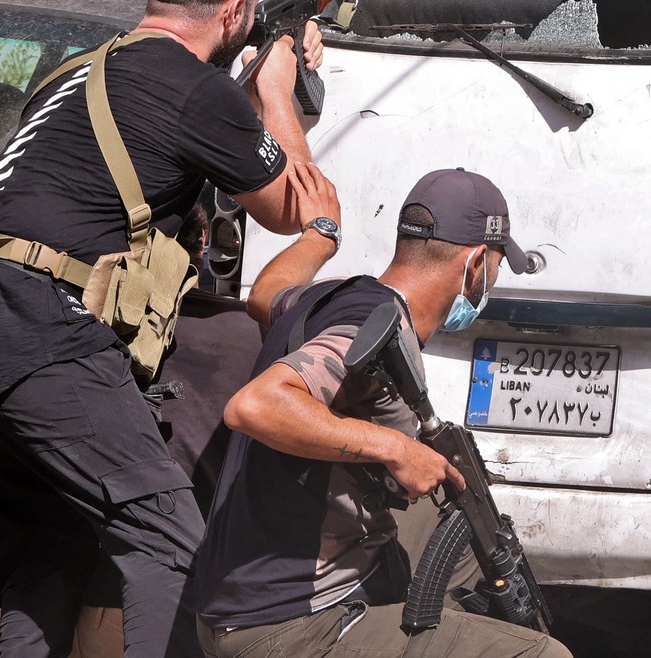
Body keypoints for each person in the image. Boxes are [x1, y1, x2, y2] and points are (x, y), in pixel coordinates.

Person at [0, 0, 324, 658]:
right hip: (38, 324)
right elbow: (295, 207)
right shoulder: (199, 91)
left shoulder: (75, 71)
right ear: (235, 10)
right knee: (171, 541)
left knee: (46, 551)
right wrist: (277, 87)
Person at [194, 164, 572, 658]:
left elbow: (265, 295)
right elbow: (256, 405)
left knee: (466, 524)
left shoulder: (332, 296)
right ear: (476, 263)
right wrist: (395, 448)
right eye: (498, 265)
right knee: (546, 655)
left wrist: (319, 237)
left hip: (243, 593)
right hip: (286, 623)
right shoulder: (372, 327)